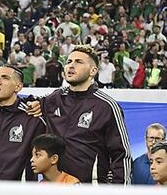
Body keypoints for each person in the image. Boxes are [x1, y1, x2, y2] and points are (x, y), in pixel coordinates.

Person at [22, 46, 131, 184]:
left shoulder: (106, 106)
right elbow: (19, 102)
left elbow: (121, 155)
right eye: (68, 62)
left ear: (93, 71)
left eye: (78, 62)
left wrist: (117, 194)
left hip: (89, 193)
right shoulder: (54, 99)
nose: (71, 66)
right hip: (54, 191)